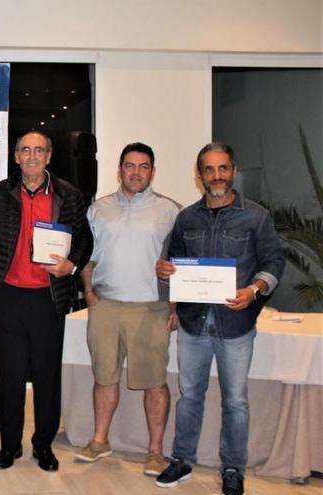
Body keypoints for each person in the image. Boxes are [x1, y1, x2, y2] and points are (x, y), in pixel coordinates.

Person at [154, 143, 284, 495]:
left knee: (236, 401)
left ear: (233, 170)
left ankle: (232, 469)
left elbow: (274, 262)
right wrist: (164, 271)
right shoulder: (186, 219)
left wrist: (255, 289)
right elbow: (171, 263)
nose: (216, 176)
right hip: (194, 323)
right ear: (199, 175)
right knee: (190, 395)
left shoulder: (256, 216)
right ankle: (181, 460)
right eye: (209, 170)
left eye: (222, 168)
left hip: (236, 326)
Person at [0, 131, 92, 471]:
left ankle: (43, 445)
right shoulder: (0, 193)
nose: (32, 156)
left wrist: (70, 265)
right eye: (25, 150)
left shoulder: (68, 194)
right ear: (16, 156)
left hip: (48, 297)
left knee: (46, 376)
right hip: (8, 297)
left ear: (48, 156)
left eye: (39, 150)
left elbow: (84, 239)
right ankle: (10, 446)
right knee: (10, 375)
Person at [74, 143, 180, 476]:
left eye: (143, 166)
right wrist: (89, 293)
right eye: (130, 166)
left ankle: (155, 451)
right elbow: (87, 255)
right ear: (119, 169)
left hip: (151, 308)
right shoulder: (98, 209)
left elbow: (180, 264)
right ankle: (100, 439)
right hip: (105, 307)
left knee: (155, 383)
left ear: (153, 171)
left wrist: (176, 306)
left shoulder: (171, 211)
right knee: (104, 377)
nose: (136, 172)